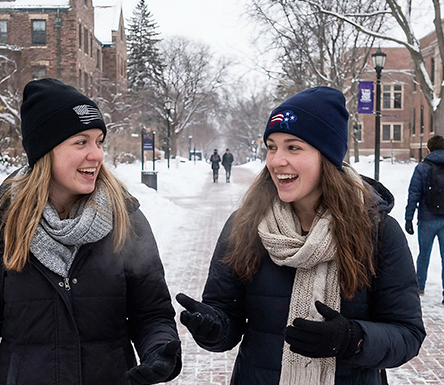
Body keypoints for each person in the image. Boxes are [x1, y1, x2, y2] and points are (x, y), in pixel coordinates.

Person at [175, 86, 425, 384]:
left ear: (327, 156)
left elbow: (407, 333)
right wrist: (214, 328)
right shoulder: (244, 225)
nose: (276, 160)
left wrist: (353, 339)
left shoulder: (377, 231)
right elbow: (225, 316)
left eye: (293, 147)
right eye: (271, 146)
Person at [0, 78, 181, 385]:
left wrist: (159, 350)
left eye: (98, 141)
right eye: (81, 142)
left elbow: (152, 314)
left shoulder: (125, 220)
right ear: (45, 150)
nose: (96, 155)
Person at [405, 135, 444, 307]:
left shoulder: (422, 168)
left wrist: (409, 217)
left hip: (427, 219)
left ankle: (419, 288)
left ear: (429, 149)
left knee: (424, 254)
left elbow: (414, 194)